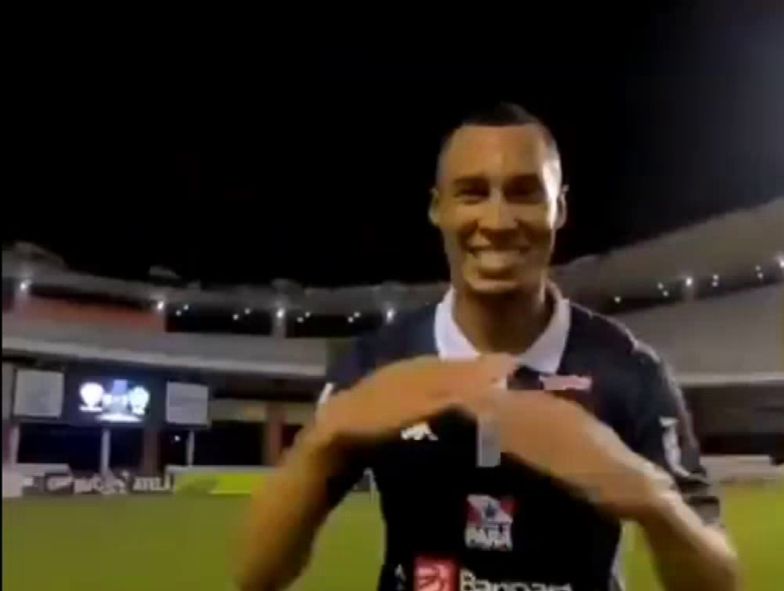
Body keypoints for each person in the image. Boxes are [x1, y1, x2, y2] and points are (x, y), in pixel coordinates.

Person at [235, 103, 740, 591]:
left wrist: (654, 502)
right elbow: (256, 576)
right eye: (473, 193)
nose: (497, 223)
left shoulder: (632, 374)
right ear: (439, 208)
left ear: (559, 208)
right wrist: (325, 441)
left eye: (524, 193)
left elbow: (719, 583)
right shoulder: (376, 364)